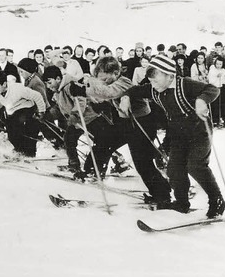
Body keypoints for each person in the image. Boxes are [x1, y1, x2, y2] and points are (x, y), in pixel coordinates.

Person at [126, 55, 225, 218]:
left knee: (195, 165)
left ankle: (217, 200)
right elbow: (135, 90)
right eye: (151, 81)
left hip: (199, 132)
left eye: (156, 80)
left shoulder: (184, 84)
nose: (153, 85)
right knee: (174, 168)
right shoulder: (155, 88)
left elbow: (212, 89)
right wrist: (126, 97)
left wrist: (201, 101)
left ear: (170, 75)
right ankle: (181, 203)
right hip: (178, 134)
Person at [71, 56, 173, 206]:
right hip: (126, 123)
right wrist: (88, 95)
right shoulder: (112, 82)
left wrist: (84, 90)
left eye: (106, 79)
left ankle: (162, 194)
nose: (104, 82)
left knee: (142, 162)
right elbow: (102, 96)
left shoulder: (124, 82)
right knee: (104, 141)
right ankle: (92, 171)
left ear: (116, 72)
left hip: (142, 123)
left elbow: (109, 92)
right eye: (102, 79)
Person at [0, 71, 46, 157]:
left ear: (4, 84)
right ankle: (19, 150)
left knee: (20, 126)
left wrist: (41, 111)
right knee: (11, 131)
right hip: (12, 112)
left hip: (26, 108)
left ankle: (29, 153)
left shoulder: (17, 89)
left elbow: (37, 96)